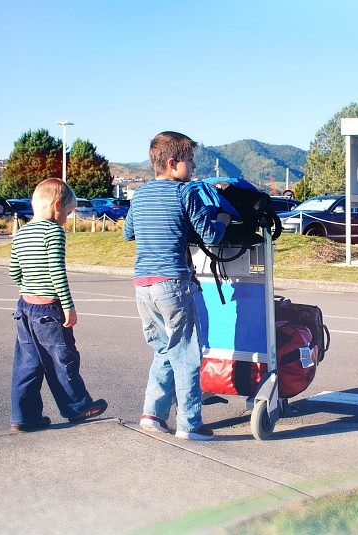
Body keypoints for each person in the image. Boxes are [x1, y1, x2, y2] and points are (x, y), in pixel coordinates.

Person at [123, 131, 230, 441]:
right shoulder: (186, 194)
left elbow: (128, 233)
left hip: (142, 285)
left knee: (163, 350)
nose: (194, 167)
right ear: (172, 164)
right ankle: (190, 425)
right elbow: (210, 235)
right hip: (173, 284)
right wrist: (222, 220)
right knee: (185, 354)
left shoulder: (140, 195)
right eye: (190, 160)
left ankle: (152, 414)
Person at [8, 177, 107, 432]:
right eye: (68, 211)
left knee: (27, 364)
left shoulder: (22, 233)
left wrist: (26, 288)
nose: (67, 217)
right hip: (48, 309)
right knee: (64, 359)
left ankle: (23, 417)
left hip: (24, 308)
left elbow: (14, 271)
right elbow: (57, 272)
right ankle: (77, 406)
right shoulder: (53, 232)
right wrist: (68, 306)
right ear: (57, 205)